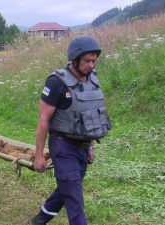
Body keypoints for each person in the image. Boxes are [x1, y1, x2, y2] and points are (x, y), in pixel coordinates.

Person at [30, 35, 112, 225]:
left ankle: (40, 219)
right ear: (74, 59)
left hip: (82, 147)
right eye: (87, 61)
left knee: (68, 187)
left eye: (93, 61)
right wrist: (39, 155)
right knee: (75, 198)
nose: (91, 65)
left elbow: (90, 115)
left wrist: (90, 147)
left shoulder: (93, 80)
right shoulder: (57, 83)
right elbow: (43, 121)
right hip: (62, 146)